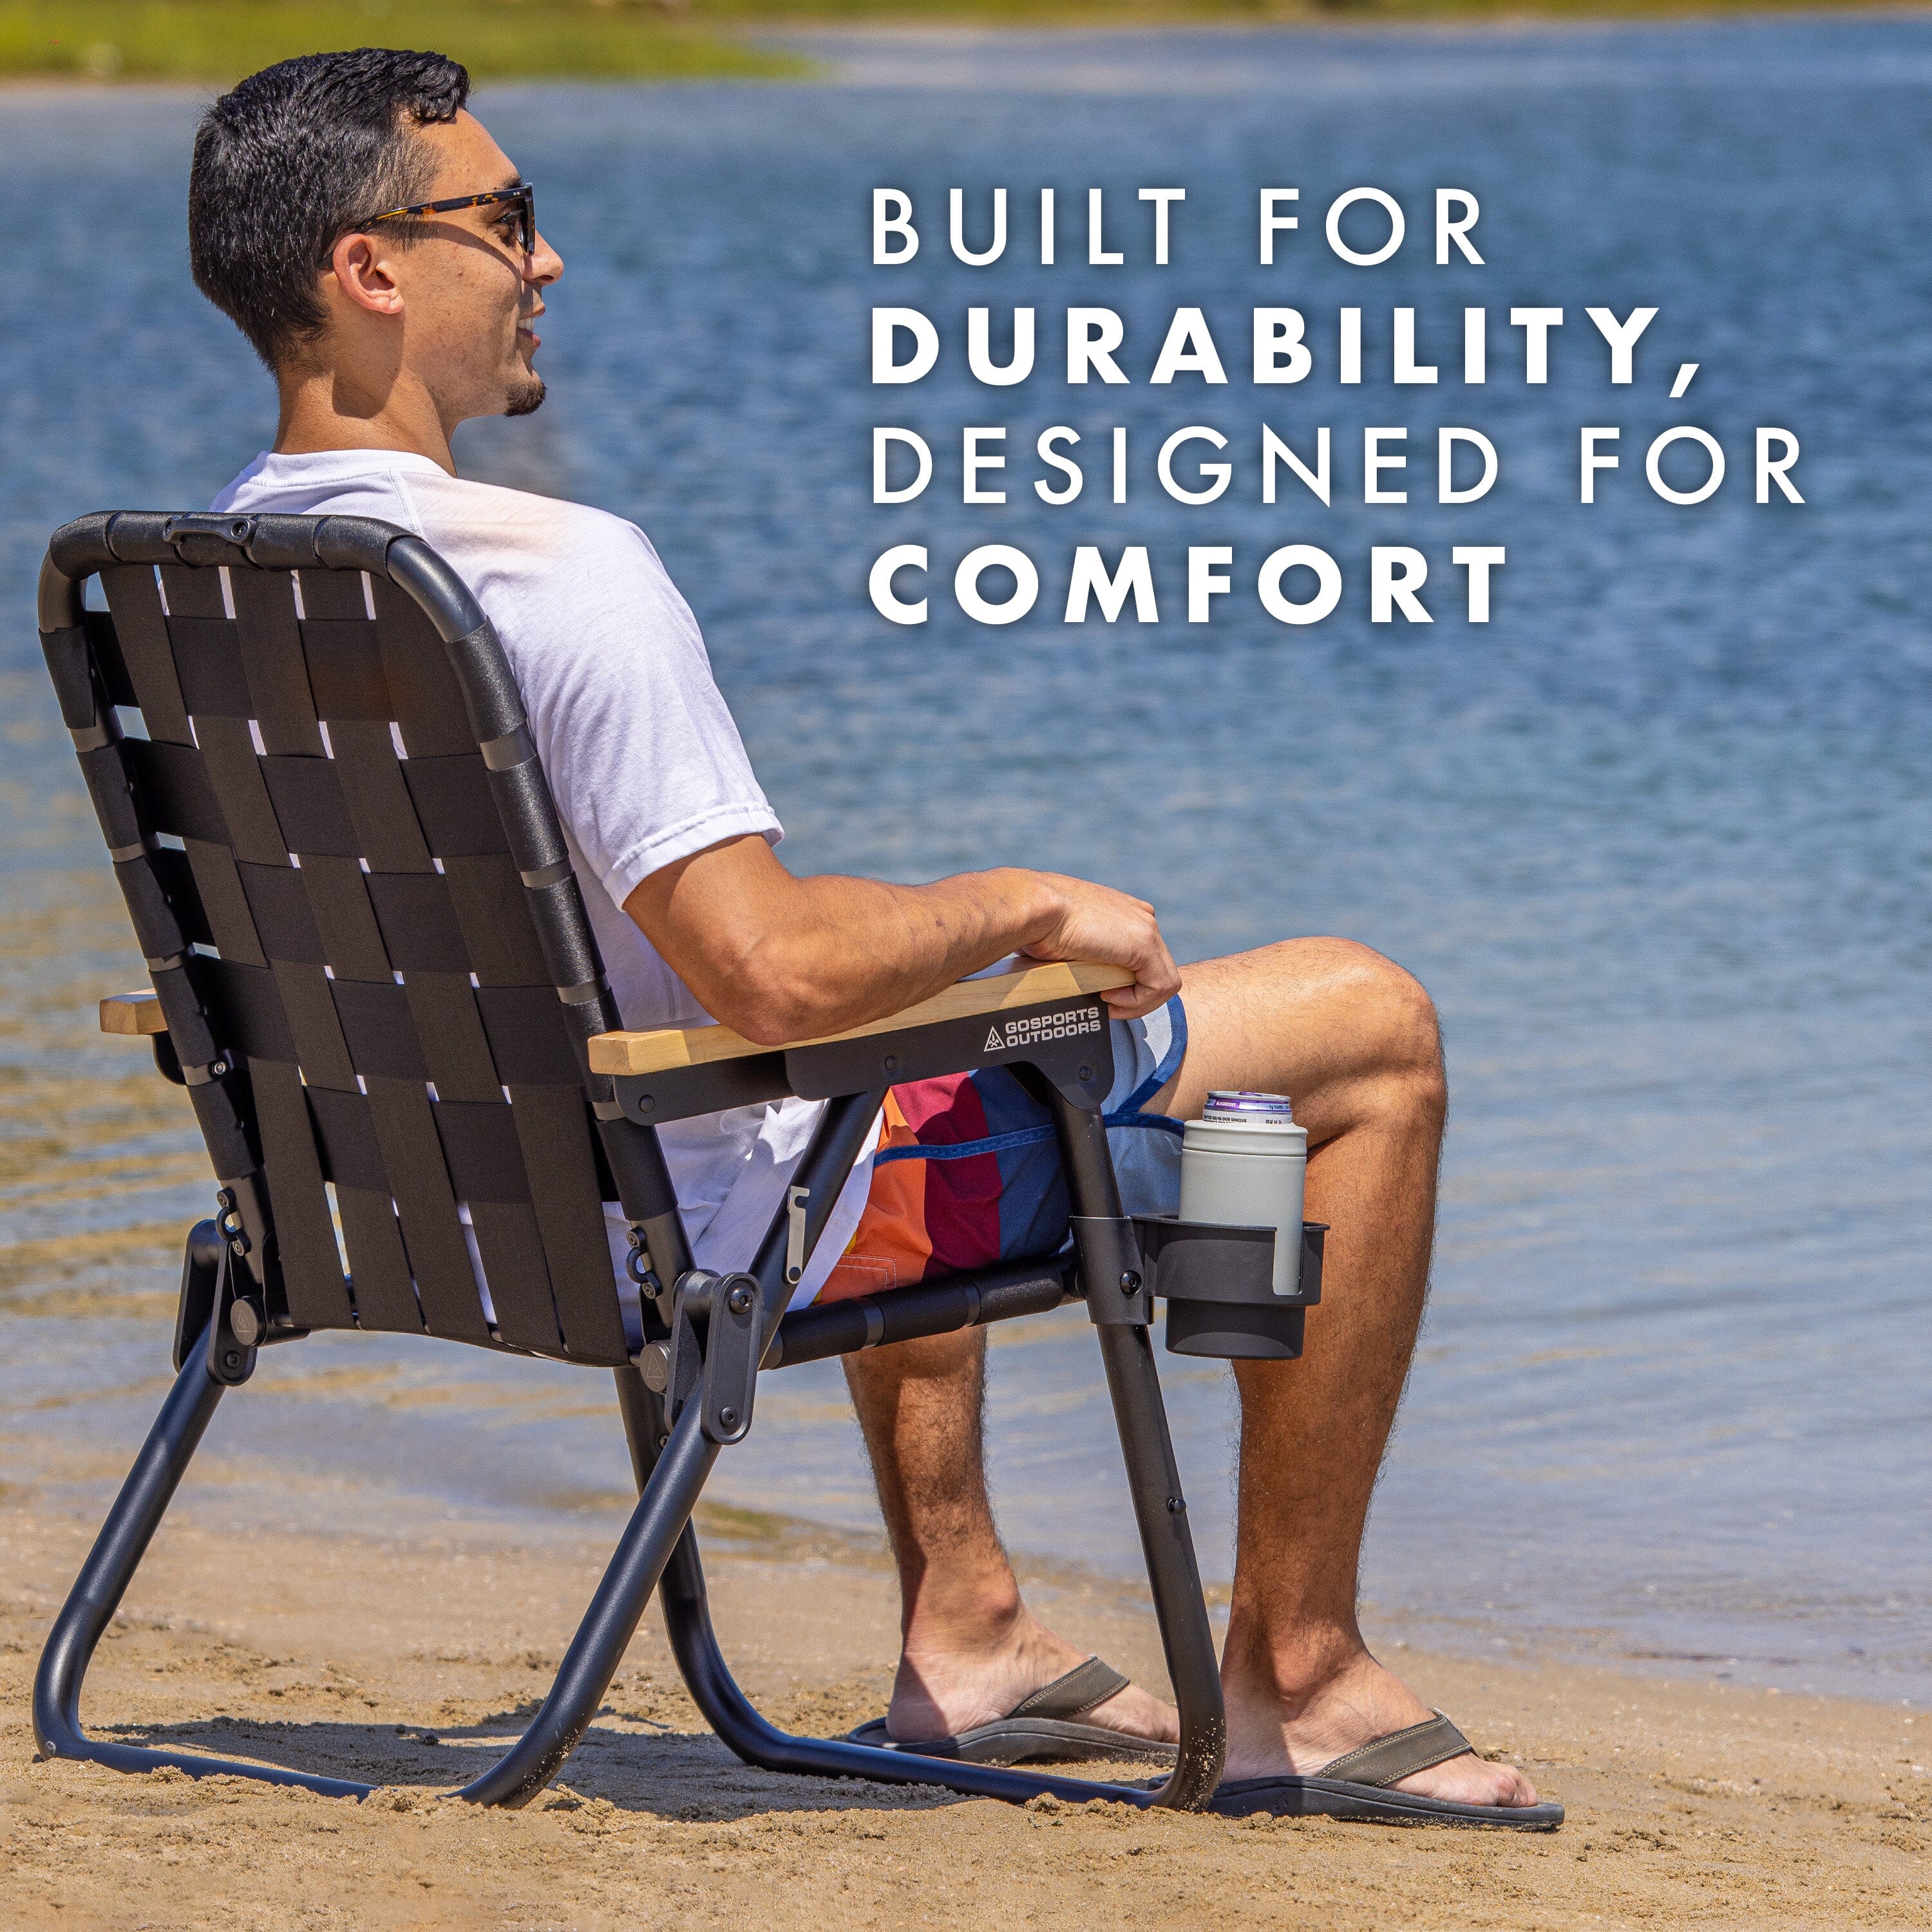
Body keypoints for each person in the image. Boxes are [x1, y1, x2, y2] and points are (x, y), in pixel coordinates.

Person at [185, 48, 1548, 1822]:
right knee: (1368, 1029)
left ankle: (968, 1629)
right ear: (367, 270)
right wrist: (1033, 903)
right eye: (508, 220)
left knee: (916, 1006)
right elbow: (781, 979)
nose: (547, 261)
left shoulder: (219, 569)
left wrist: (939, 953)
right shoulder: (557, 574)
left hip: (418, 1220)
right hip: (706, 1228)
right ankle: (1297, 1673)